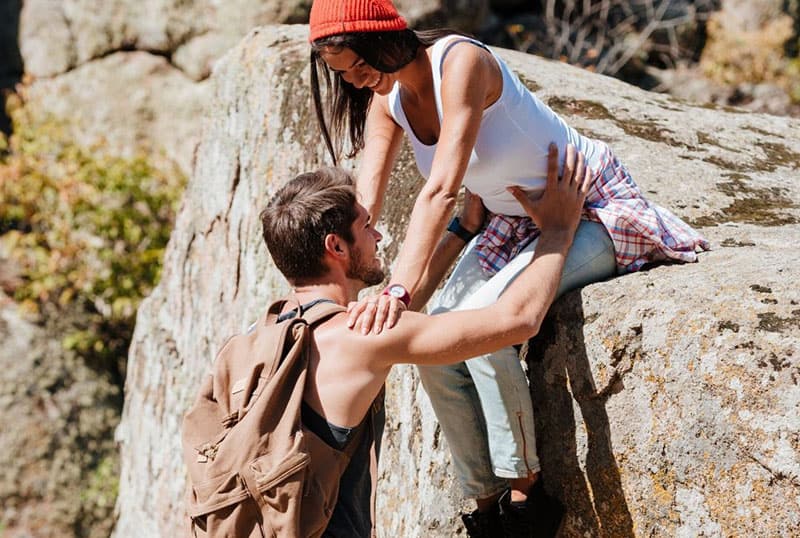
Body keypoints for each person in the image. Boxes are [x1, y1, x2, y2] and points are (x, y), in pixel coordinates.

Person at [307, 1, 710, 536]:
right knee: (430, 341)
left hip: (586, 207)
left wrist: (399, 290)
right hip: (513, 223)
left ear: (385, 37)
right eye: (344, 76)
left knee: (485, 326)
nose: (357, 82)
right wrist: (341, 279)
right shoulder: (388, 103)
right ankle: (484, 501)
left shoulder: (461, 63)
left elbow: (443, 188)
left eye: (359, 65)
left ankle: (527, 493)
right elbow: (365, 202)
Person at [259, 144, 588, 537]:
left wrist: (463, 229)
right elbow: (517, 321)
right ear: (337, 247)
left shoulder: (281, 326)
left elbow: (399, 311)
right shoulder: (358, 339)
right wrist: (557, 233)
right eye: (366, 226)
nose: (378, 235)